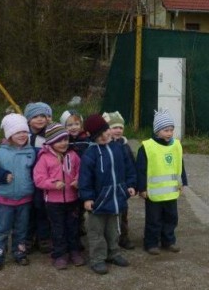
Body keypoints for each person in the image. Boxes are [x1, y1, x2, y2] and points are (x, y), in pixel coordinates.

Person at [78, 114, 137, 275]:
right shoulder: (90, 153)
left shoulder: (119, 147)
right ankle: (97, 259)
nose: (104, 137)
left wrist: (131, 185)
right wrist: (88, 197)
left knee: (114, 229)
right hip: (98, 201)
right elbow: (85, 178)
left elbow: (129, 167)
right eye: (98, 135)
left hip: (116, 197)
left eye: (105, 131)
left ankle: (113, 253)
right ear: (91, 136)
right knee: (96, 231)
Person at [0, 113, 36, 271]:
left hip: (25, 198)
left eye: (24, 132)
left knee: (22, 228)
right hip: (5, 199)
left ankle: (19, 252)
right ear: (9, 134)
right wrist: (2, 175)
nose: (22, 135)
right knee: (2, 228)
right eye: (17, 132)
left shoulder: (32, 152)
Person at [136, 109, 188, 255]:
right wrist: (142, 188)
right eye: (166, 130)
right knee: (154, 220)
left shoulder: (176, 145)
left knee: (171, 218)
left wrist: (182, 182)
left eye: (171, 130)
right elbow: (141, 169)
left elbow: (180, 165)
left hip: (171, 192)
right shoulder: (147, 147)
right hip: (153, 193)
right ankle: (151, 243)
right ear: (157, 131)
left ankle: (169, 241)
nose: (169, 133)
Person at [33, 123, 84, 269]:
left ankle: (74, 251)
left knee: (73, 227)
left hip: (72, 199)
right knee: (58, 229)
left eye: (65, 139)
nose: (63, 143)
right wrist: (53, 184)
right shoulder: (44, 158)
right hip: (53, 202)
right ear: (50, 142)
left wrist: (77, 180)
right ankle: (60, 254)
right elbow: (39, 179)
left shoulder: (73, 155)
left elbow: (81, 170)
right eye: (59, 140)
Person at [102, 111, 136, 250]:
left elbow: (131, 168)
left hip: (121, 188)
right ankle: (107, 240)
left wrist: (132, 184)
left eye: (120, 128)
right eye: (114, 127)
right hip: (107, 188)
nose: (118, 130)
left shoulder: (125, 146)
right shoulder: (102, 146)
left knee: (123, 214)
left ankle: (123, 237)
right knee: (106, 216)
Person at [24, 101, 54, 254]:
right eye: (35, 116)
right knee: (28, 210)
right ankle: (28, 238)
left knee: (42, 208)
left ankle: (44, 237)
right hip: (27, 179)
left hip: (43, 180)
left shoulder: (49, 135)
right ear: (28, 119)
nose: (40, 119)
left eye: (43, 116)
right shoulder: (23, 135)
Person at [60, 109, 91, 241]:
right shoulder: (63, 142)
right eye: (69, 125)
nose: (74, 127)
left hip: (84, 176)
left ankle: (81, 224)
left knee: (83, 202)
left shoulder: (86, 140)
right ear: (64, 127)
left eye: (77, 124)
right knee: (72, 206)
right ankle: (73, 228)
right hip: (68, 177)